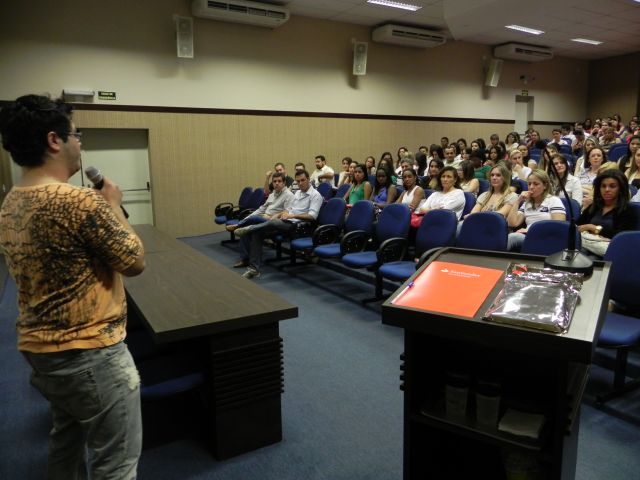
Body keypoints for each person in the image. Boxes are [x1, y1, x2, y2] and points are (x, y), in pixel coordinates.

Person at [0, 94, 146, 478]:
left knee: (66, 439)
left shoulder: (12, 200)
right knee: (116, 465)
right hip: (90, 354)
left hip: (41, 351)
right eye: (76, 135)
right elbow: (134, 261)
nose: (80, 144)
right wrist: (112, 203)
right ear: (54, 140)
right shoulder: (78, 201)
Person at [235, 169, 323, 279]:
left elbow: (312, 216)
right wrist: (284, 213)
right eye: (298, 181)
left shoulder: (316, 195)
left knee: (272, 222)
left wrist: (292, 215)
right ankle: (254, 269)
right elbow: (289, 209)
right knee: (257, 233)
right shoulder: (298, 193)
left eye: (303, 180)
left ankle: (250, 228)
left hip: (299, 227)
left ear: (308, 179)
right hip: (286, 222)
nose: (300, 183)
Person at [230, 172, 294, 268]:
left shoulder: (289, 195)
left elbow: (286, 214)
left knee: (253, 220)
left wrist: (272, 216)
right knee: (246, 228)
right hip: (263, 220)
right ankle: (245, 259)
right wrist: (247, 218)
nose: (276, 183)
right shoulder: (272, 194)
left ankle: (238, 225)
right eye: (274, 181)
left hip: (274, 225)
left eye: (279, 181)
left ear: (284, 183)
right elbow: (261, 209)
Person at [577, 169, 636, 257]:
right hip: (586, 246)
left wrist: (593, 228)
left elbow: (622, 236)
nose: (607, 190)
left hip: (610, 252)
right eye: (603, 186)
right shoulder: (594, 206)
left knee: (588, 259)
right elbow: (578, 225)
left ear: (620, 189)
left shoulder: (628, 210)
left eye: (612, 186)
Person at [506, 169, 566, 251]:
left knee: (513, 237)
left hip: (546, 238)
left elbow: (558, 227)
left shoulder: (553, 200)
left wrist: (531, 231)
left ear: (545, 186)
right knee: (507, 237)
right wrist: (518, 200)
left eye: (536, 184)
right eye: (529, 184)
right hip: (528, 237)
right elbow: (512, 223)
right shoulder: (527, 203)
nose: (531, 187)